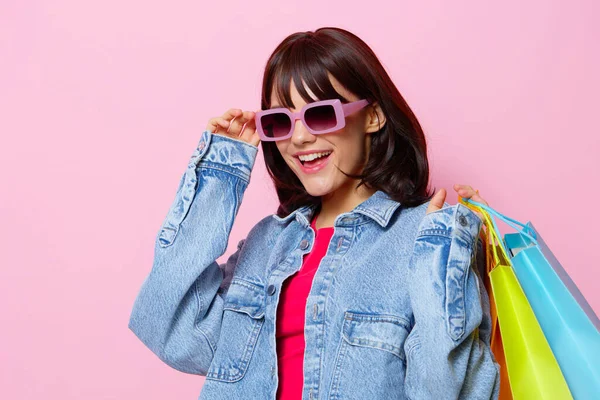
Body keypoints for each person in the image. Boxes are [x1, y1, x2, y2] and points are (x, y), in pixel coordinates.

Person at [128, 27, 500, 399]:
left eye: (321, 115)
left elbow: (448, 391)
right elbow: (170, 329)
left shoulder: (422, 239)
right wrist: (221, 174)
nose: (300, 138)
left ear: (372, 116)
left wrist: (444, 254)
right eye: (280, 122)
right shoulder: (265, 244)